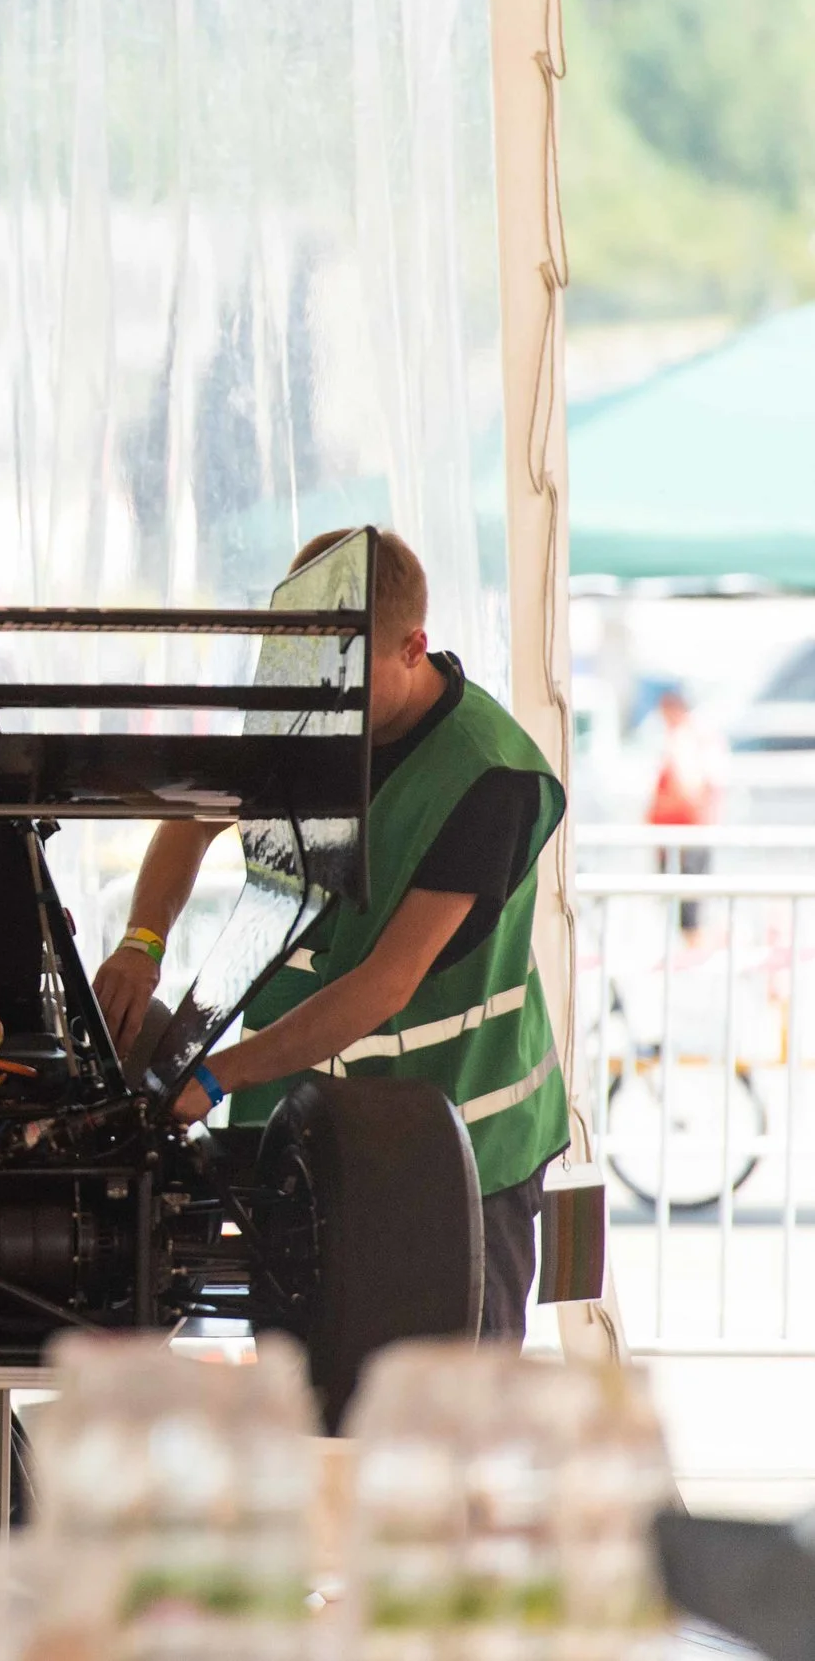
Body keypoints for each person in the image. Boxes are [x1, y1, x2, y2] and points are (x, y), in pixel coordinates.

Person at [93, 527, 568, 1344]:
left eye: (346, 674)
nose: (324, 697)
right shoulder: (304, 704)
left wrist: (216, 1074)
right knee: (305, 1394)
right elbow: (194, 817)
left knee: (442, 1405)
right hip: (308, 1144)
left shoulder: (488, 777)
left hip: (459, 1158)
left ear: (413, 647)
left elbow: (386, 981)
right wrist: (142, 943)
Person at [647, 686, 724, 936]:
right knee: (685, 905)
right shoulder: (692, 738)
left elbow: (689, 787)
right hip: (682, 832)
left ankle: (693, 947)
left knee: (688, 909)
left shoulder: (686, 740)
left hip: (685, 833)